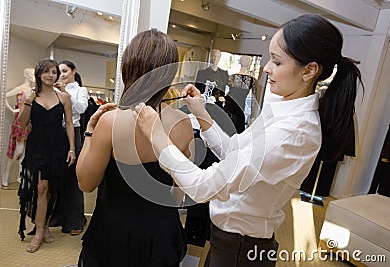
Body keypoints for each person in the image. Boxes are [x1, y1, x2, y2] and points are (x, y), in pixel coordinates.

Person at [133, 14, 364, 267]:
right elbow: (235, 151)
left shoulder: (292, 132)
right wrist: (201, 113)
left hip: (241, 249)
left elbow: (202, 186)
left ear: (309, 70)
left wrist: (157, 136)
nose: (266, 68)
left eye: (277, 61)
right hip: (229, 240)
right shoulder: (282, 108)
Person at [76, 29, 193, 267]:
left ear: (127, 68)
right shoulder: (182, 124)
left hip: (112, 233)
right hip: (160, 232)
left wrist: (89, 131)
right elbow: (180, 191)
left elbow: (85, 183)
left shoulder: (110, 121)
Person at [17, 58, 76, 253]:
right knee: (41, 187)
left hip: (58, 146)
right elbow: (22, 123)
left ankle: (45, 224)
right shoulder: (30, 96)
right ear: (39, 74)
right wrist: (28, 101)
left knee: (51, 188)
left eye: (54, 72)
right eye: (47, 72)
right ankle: (40, 231)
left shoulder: (64, 97)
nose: (51, 75)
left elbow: (68, 124)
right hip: (37, 145)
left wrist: (72, 149)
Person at [49, 60, 88, 235]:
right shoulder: (53, 90)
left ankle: (75, 221)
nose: (62, 74)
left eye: (64, 71)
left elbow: (81, 109)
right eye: (59, 71)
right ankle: (55, 217)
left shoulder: (80, 90)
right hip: (56, 134)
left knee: (73, 177)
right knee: (55, 176)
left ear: (73, 71)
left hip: (75, 133)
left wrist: (65, 93)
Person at [3, 68, 35, 187]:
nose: (33, 76)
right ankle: (6, 175)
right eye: (31, 74)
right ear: (26, 75)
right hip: (19, 122)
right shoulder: (20, 89)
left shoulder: (32, 90)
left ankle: (19, 176)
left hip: (29, 122)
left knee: (25, 152)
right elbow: (4, 96)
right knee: (18, 150)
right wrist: (13, 110)